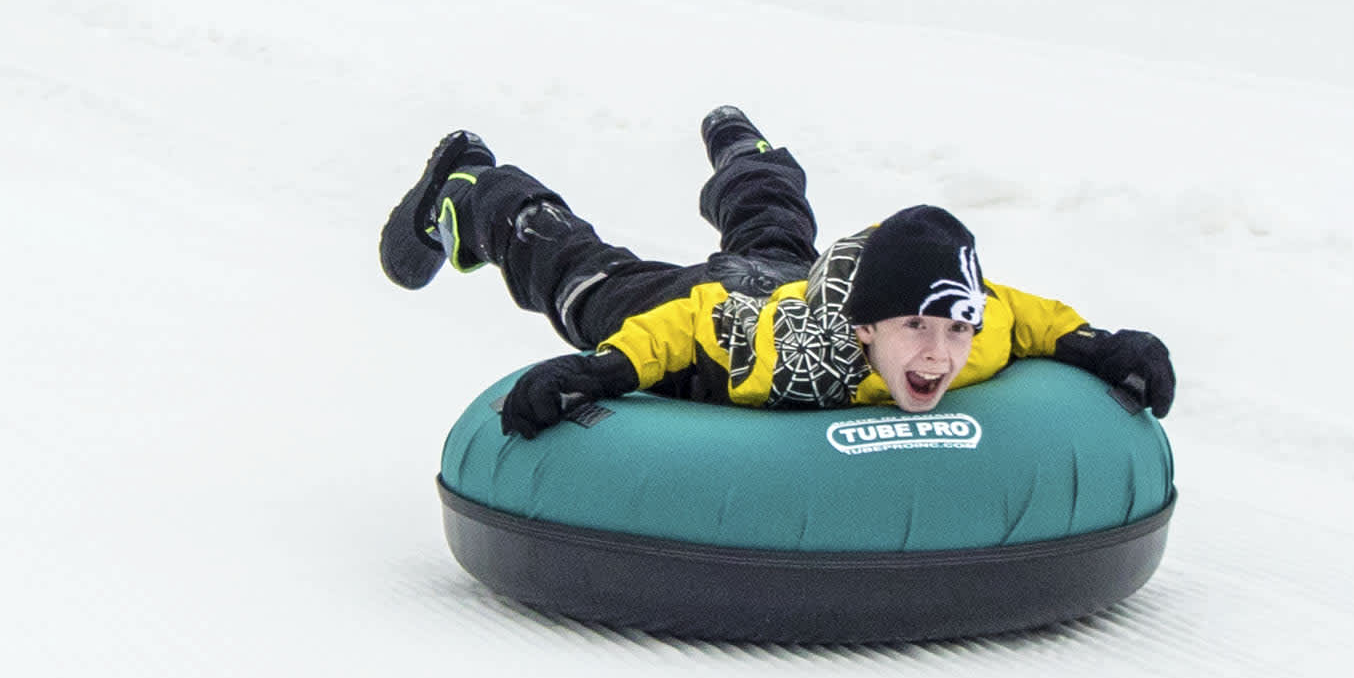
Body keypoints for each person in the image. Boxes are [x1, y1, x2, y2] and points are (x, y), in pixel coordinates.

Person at [382, 108, 1176, 438]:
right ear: (867, 327)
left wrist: (1102, 345)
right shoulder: (796, 351)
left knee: (776, 243)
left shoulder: (975, 325)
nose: (940, 352)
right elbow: (692, 323)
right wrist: (608, 366)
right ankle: (478, 189)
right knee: (589, 287)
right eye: (918, 330)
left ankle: (748, 159)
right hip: (725, 311)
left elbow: (1023, 313)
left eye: (953, 329)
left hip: (795, 281)